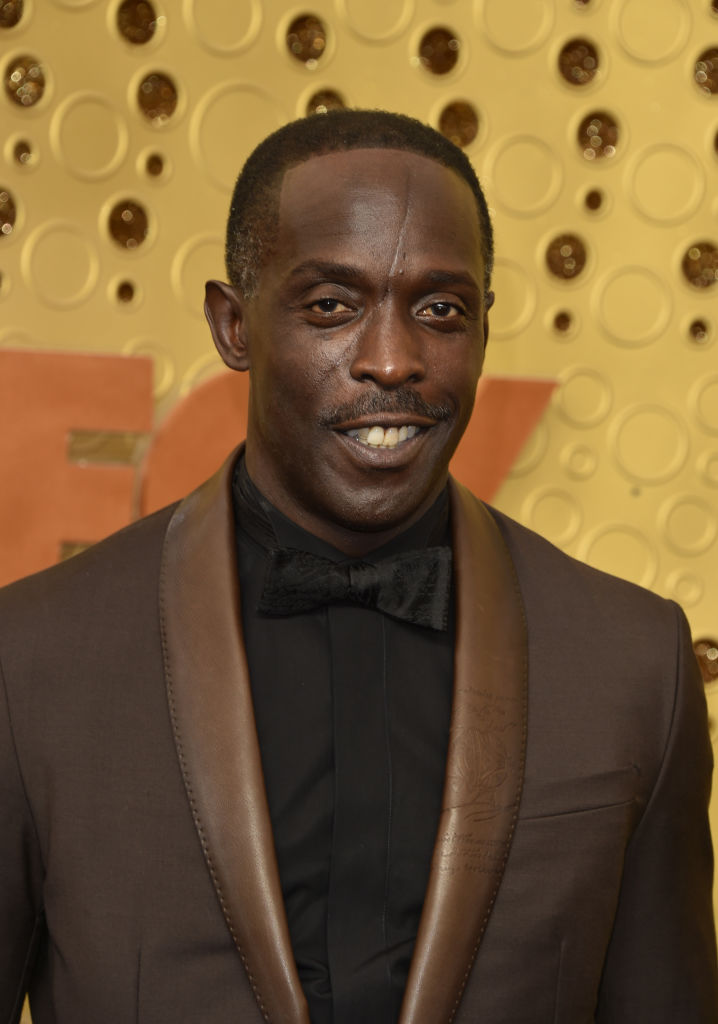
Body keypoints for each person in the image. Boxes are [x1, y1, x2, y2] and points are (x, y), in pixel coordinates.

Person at [0, 110, 716, 1023]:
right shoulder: (28, 663)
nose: (392, 360)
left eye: (440, 310)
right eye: (333, 307)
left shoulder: (633, 667)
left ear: (487, 328)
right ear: (233, 326)